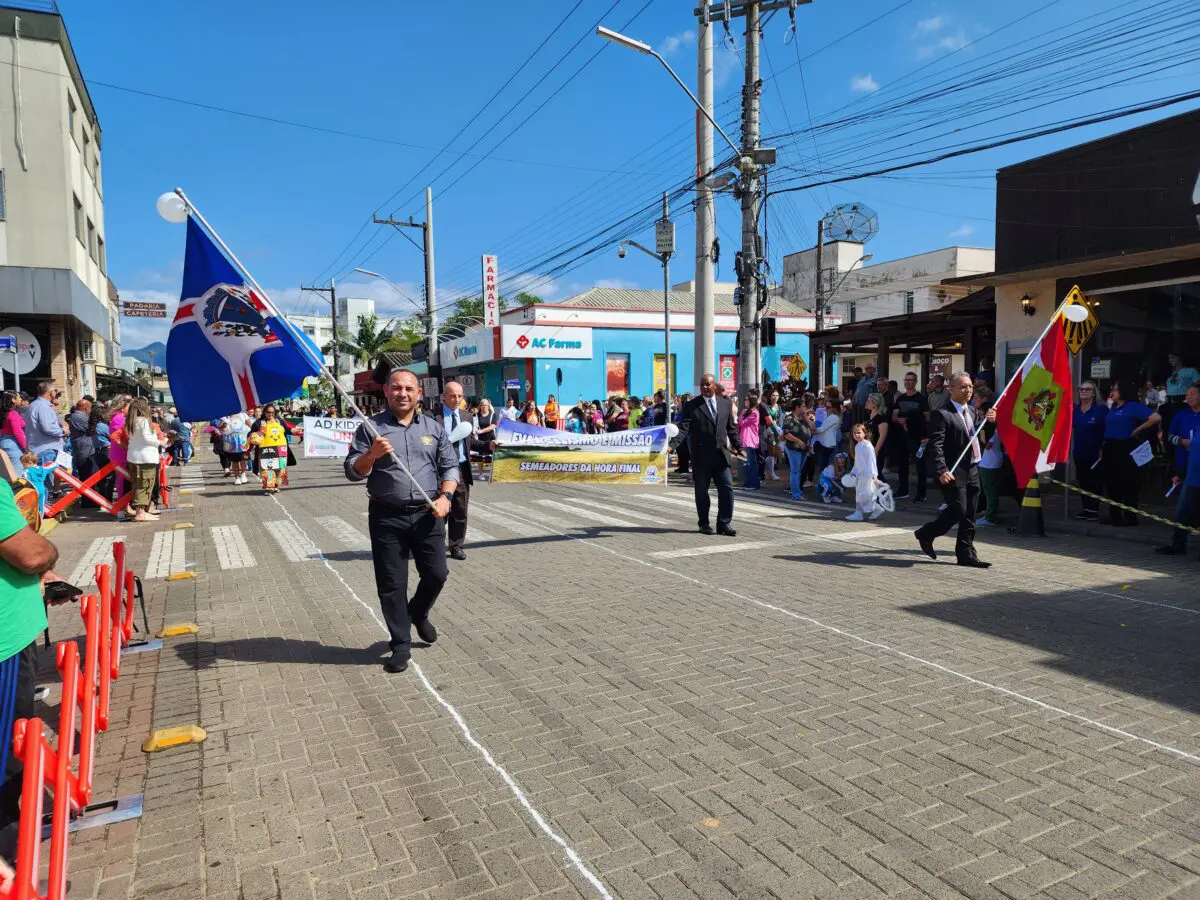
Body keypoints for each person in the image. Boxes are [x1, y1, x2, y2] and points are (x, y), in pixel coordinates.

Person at [345, 370, 457, 674]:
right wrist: (371, 454)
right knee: (392, 584)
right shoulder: (371, 429)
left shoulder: (433, 428)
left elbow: (449, 467)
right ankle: (400, 644)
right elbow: (353, 471)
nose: (402, 393)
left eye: (409, 388)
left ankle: (418, 612)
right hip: (386, 516)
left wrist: (446, 497)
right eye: (396, 388)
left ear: (418, 392)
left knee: (437, 574)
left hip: (427, 513)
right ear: (386, 391)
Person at [0, 485, 59, 865]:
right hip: (5, 640)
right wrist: (49, 554)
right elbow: (30, 552)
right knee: (7, 757)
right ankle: (12, 865)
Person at [915, 372, 997, 567]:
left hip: (973, 467)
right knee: (958, 509)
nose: (968, 390)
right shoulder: (942, 414)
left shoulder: (972, 411)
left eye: (970, 386)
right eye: (962, 387)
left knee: (970, 513)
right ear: (950, 389)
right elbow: (936, 445)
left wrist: (991, 421)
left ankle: (966, 553)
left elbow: (980, 435)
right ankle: (926, 533)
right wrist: (941, 469)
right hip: (953, 471)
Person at [670, 373, 742, 536]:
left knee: (727, 489)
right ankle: (704, 523)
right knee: (702, 492)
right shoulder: (692, 405)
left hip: (721, 456)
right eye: (702, 385)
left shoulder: (725, 404)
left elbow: (731, 428)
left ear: (714, 385)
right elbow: (683, 429)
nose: (705, 387)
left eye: (708, 384)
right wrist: (672, 446)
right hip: (701, 457)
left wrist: (739, 446)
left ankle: (724, 523)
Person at [1101, 379, 1161, 526]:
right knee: (1112, 482)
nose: (1112, 392)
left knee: (1128, 481)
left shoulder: (1132, 406)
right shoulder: (1113, 407)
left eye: (1115, 389)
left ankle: (1130, 516)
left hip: (1125, 446)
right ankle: (1114, 514)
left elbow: (1156, 417)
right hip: (1110, 446)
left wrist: (1138, 429)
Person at [1157, 383, 1200, 557]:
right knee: (1183, 509)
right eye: (1187, 394)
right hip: (1187, 468)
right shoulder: (1181, 415)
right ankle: (1178, 544)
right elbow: (1169, 437)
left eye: (1193, 394)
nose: (1188, 397)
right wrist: (1182, 442)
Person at [441, 381, 474, 561]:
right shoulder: (432, 417)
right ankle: (435, 546)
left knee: (460, 511)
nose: (456, 399)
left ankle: (456, 546)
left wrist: (489, 445)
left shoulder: (467, 417)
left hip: (461, 470)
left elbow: (471, 442)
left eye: (460, 396)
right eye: (453, 396)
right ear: (444, 396)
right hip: (440, 470)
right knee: (439, 511)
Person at [1071, 380, 1108, 520]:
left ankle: (1093, 510)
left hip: (1096, 452)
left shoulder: (1101, 409)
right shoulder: (1075, 408)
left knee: (1095, 482)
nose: (1083, 391)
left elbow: (1108, 429)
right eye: (1081, 389)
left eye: (1087, 389)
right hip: (1079, 451)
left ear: (1093, 393)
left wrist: (1104, 449)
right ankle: (1086, 508)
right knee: (1083, 480)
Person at [891, 372, 930, 502]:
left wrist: (925, 434)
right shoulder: (900, 398)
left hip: (919, 436)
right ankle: (903, 490)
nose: (908, 382)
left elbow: (927, 417)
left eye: (911, 380)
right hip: (903, 435)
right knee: (902, 463)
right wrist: (900, 420)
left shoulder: (922, 398)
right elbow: (894, 416)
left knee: (920, 465)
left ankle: (921, 494)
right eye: (906, 380)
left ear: (915, 382)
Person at [125, 399, 165, 522]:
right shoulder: (144, 422)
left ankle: (140, 511)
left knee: (137, 485)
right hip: (145, 458)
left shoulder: (130, 422)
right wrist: (161, 442)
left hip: (133, 457)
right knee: (145, 485)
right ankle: (141, 513)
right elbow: (147, 438)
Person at [846, 423, 882, 522]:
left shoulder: (867, 446)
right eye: (854, 433)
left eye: (859, 433)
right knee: (861, 494)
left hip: (867, 474)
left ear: (864, 433)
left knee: (864, 494)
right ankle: (872, 510)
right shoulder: (858, 445)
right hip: (860, 474)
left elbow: (872, 460)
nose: (856, 435)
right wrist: (853, 472)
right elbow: (857, 462)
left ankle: (861, 513)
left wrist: (874, 475)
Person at [254, 404, 292, 493]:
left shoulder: (280, 421)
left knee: (280, 468)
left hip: (280, 449)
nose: (271, 414)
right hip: (265, 450)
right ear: (264, 412)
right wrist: (253, 436)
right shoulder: (259, 423)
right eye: (268, 412)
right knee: (268, 468)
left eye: (272, 412)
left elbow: (288, 430)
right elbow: (251, 433)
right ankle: (268, 486)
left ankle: (275, 485)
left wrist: (297, 431)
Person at [780, 398, 812, 502]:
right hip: (794, 448)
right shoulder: (790, 418)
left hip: (804, 449)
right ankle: (796, 494)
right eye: (803, 406)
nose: (805, 408)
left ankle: (798, 491)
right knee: (795, 471)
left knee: (799, 471)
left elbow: (813, 426)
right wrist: (798, 441)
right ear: (797, 407)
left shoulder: (803, 418)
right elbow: (786, 433)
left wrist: (806, 417)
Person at [25, 382, 64, 468]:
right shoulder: (43, 406)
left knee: (43, 479)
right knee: (47, 480)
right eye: (55, 391)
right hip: (46, 450)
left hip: (40, 449)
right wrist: (63, 431)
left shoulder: (33, 405)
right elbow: (48, 428)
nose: (56, 393)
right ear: (51, 392)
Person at [1162, 354, 1200, 436]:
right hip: (1169, 403)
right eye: (1169, 358)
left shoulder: (1191, 371)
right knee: (1169, 428)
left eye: (1172, 358)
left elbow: (1198, 386)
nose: (1170, 360)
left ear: (1180, 358)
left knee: (1184, 427)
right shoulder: (1172, 374)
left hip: (1183, 401)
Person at [738, 391, 763, 490]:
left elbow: (742, 423)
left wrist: (742, 414)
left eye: (746, 400)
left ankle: (754, 483)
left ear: (751, 401)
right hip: (745, 439)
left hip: (750, 440)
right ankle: (748, 482)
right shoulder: (748, 411)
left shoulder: (754, 413)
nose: (745, 402)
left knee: (751, 463)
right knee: (746, 463)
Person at [67, 398, 95, 484]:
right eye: (90, 408)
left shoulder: (76, 416)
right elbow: (93, 429)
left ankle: (87, 496)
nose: (90, 411)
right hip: (84, 452)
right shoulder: (79, 417)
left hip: (84, 450)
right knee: (87, 477)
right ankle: (86, 497)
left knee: (88, 476)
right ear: (86, 408)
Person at [221, 411, 253, 484]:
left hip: (242, 441)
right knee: (234, 461)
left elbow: (251, 425)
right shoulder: (226, 416)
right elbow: (221, 427)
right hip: (231, 442)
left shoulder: (243, 415)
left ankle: (243, 474)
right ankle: (237, 477)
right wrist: (225, 423)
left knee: (243, 459)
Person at [0, 393, 26, 472]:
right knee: (17, 473)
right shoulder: (13, 414)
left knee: (6, 473)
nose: (21, 399)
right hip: (13, 445)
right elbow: (18, 432)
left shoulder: (2, 413)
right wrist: (25, 448)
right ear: (13, 400)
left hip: (2, 442)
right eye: (19, 397)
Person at [762, 389, 783, 482]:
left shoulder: (779, 407)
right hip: (769, 431)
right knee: (771, 451)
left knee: (776, 453)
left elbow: (780, 420)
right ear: (770, 396)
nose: (775, 397)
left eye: (777, 395)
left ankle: (765, 467)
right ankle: (771, 473)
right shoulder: (766, 407)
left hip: (778, 430)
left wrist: (780, 431)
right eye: (773, 395)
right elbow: (767, 421)